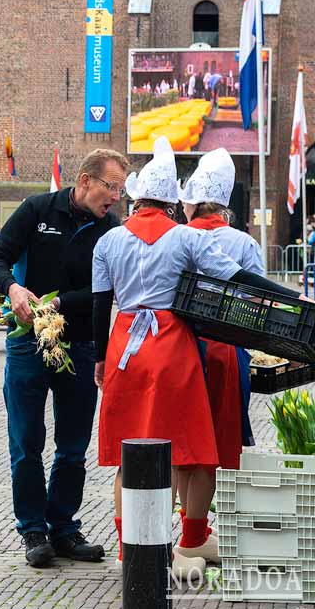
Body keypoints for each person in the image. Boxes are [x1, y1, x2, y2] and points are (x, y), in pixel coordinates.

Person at [92, 138, 298, 580]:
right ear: (171, 201)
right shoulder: (185, 237)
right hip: (173, 346)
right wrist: (294, 297)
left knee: (131, 452)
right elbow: (239, 278)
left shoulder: (109, 240)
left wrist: (98, 361)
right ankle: (188, 538)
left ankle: (131, 547)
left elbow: (98, 304)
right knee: (189, 447)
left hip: (124, 346)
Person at [0, 148, 129, 568]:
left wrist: (62, 303)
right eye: (111, 187)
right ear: (85, 180)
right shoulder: (37, 209)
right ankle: (32, 529)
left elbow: (109, 292)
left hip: (80, 345)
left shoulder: (110, 229)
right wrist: (11, 289)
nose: (116, 197)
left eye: (120, 189)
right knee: (27, 440)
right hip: (30, 341)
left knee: (73, 444)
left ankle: (63, 527)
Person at [172, 148, 263, 565]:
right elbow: (261, 303)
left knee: (176, 444)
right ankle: (196, 533)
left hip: (179, 348)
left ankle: (167, 530)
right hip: (227, 353)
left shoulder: (176, 237)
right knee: (212, 446)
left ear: (190, 203)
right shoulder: (243, 242)